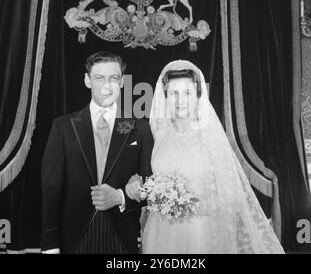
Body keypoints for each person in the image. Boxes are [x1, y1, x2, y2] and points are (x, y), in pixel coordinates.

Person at [126, 60, 284, 254]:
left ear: (198, 96)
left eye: (187, 93)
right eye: (174, 93)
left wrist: (187, 202)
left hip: (198, 233)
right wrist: (138, 184)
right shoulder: (158, 135)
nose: (180, 100)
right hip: (159, 231)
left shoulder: (210, 138)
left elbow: (228, 196)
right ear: (165, 97)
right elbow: (145, 176)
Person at [41, 51, 153, 254]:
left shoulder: (139, 129)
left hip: (121, 237)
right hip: (74, 238)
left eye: (114, 78)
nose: (107, 85)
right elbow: (51, 189)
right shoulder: (63, 127)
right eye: (99, 78)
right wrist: (50, 243)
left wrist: (121, 197)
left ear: (121, 82)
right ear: (87, 80)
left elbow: (151, 184)